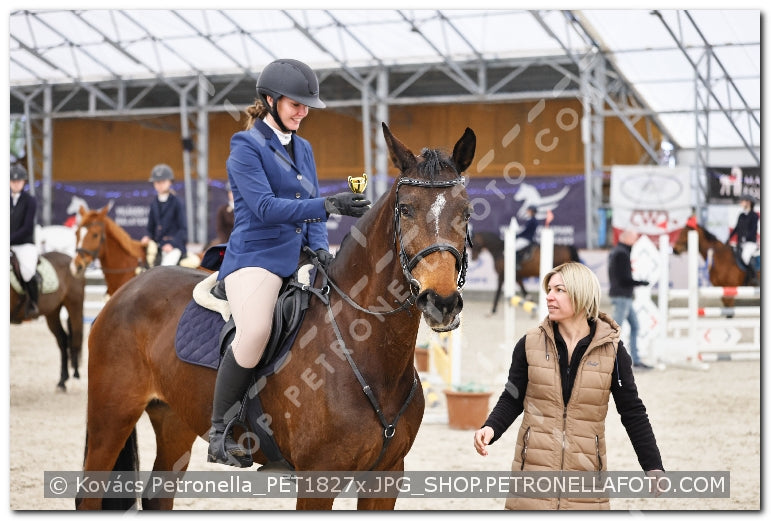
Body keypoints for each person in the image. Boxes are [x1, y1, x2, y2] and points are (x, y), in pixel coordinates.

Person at [207, 58, 371, 467]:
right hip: (255, 258)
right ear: (269, 100)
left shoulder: (305, 148)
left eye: (306, 104)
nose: (303, 111)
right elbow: (263, 207)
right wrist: (329, 203)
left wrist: (322, 252)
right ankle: (218, 430)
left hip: (298, 258)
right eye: (295, 103)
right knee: (258, 329)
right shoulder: (245, 146)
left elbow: (311, 211)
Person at [473, 262, 664, 510]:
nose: (550, 297)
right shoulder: (529, 343)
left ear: (581, 295)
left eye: (559, 290)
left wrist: (653, 465)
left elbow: (632, 411)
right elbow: (512, 397)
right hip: (532, 474)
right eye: (549, 290)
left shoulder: (613, 351)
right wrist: (491, 427)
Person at [608, 229, 651, 369]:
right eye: (634, 238)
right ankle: (611, 361)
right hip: (622, 296)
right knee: (616, 330)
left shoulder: (618, 251)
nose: (636, 242)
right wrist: (641, 283)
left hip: (622, 296)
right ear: (626, 239)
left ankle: (635, 360)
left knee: (634, 326)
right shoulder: (622, 253)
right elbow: (624, 279)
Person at [140, 164, 187, 266]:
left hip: (174, 247)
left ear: (170, 182)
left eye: (163, 182)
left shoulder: (177, 202)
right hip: (158, 246)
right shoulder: (154, 203)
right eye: (157, 182)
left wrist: (172, 244)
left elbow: (183, 229)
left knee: (166, 267)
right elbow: (150, 228)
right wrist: (147, 236)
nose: (160, 185)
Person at [10, 164, 40, 319]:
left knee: (27, 273)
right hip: (7, 244)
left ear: (24, 182)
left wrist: (8, 239)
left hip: (24, 245)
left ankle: (33, 303)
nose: (15, 183)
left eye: (19, 181)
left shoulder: (30, 201)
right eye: (12, 181)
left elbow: (28, 227)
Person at [726, 194, 759, 283]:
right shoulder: (741, 215)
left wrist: (745, 238)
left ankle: (754, 277)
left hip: (750, 243)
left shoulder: (754, 216)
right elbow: (736, 228)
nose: (741, 203)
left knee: (745, 256)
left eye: (743, 201)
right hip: (740, 242)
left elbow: (753, 229)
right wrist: (728, 238)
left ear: (748, 203)